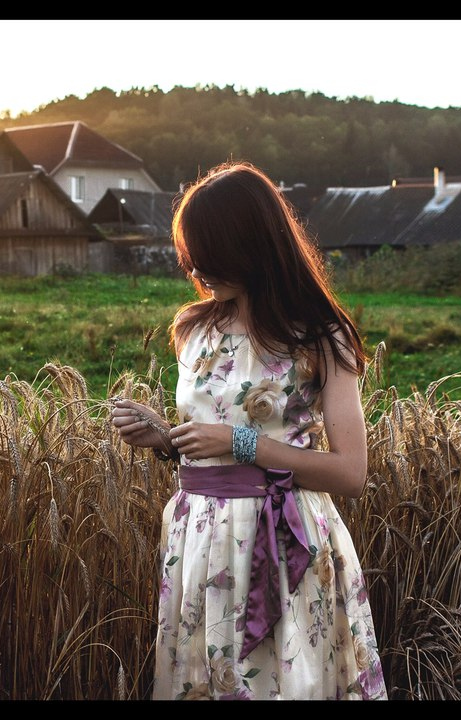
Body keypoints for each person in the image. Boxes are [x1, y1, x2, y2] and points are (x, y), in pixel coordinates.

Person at [109, 160, 387, 700]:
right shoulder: (195, 328)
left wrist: (244, 444)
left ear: (253, 246)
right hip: (198, 542)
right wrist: (164, 439)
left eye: (211, 255)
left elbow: (351, 473)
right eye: (192, 255)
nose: (200, 270)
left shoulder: (319, 336)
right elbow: (209, 439)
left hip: (283, 545)